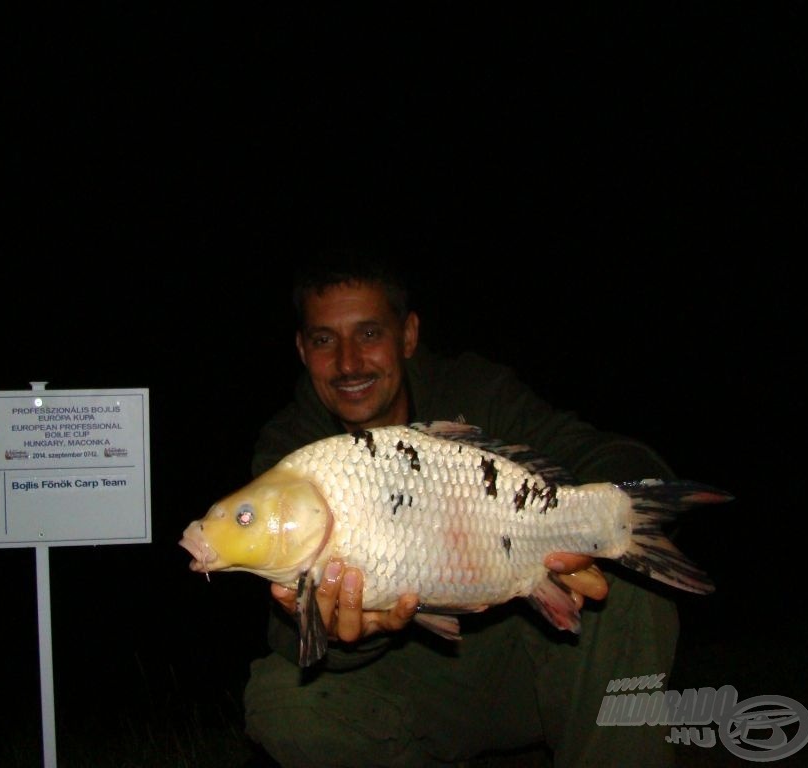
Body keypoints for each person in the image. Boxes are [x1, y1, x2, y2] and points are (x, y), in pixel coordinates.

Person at [242, 249, 682, 767]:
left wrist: (603, 514)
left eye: (368, 334)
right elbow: (281, 628)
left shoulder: (477, 391)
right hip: (407, 682)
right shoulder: (291, 454)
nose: (347, 363)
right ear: (301, 348)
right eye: (323, 340)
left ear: (407, 335)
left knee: (626, 589)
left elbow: (591, 448)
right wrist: (349, 633)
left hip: (523, 651)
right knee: (279, 700)